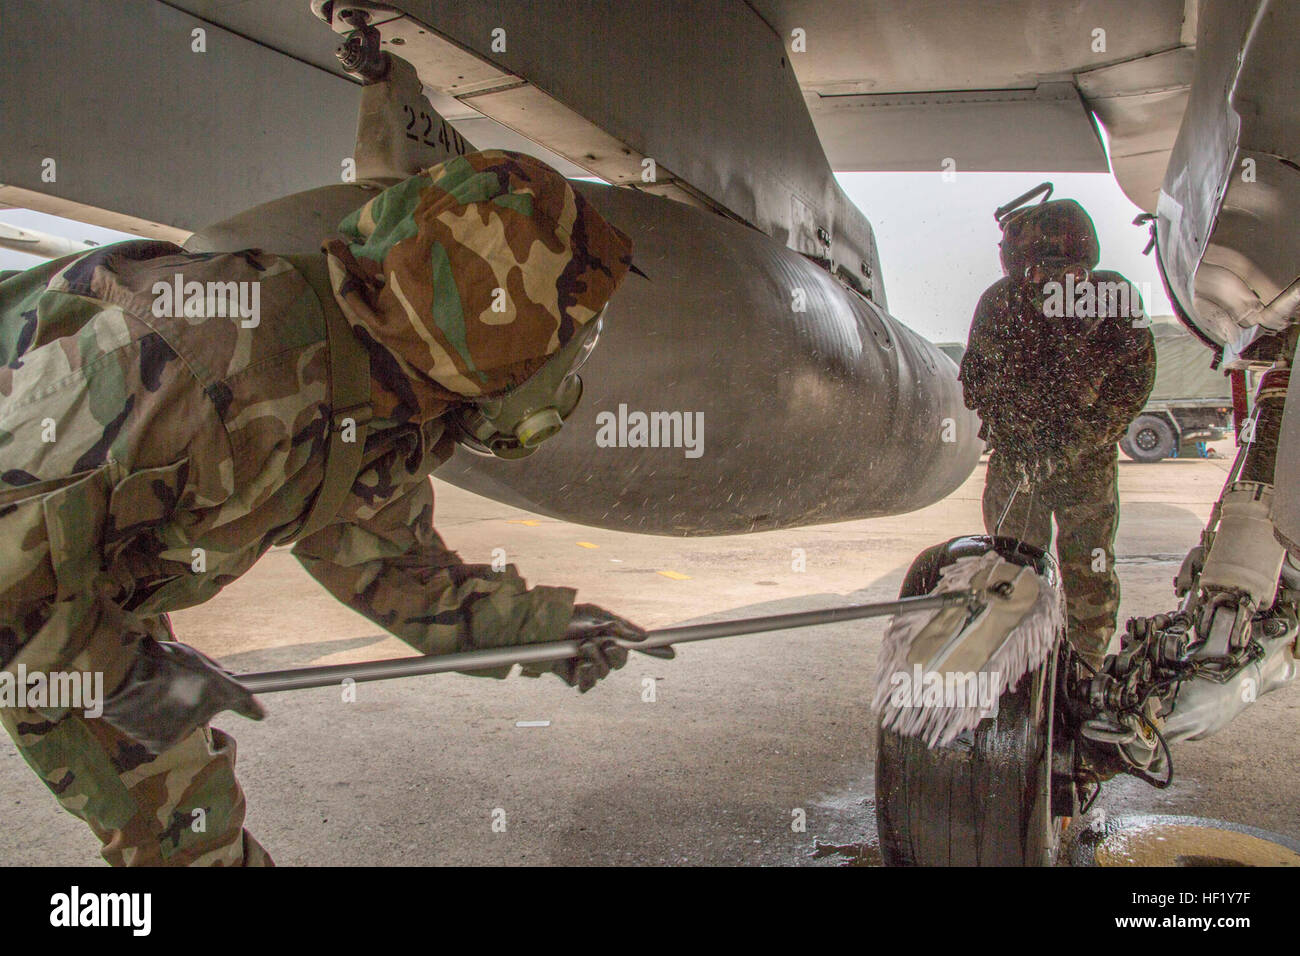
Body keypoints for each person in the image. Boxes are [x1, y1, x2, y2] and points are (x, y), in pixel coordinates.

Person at [0, 149, 658, 865]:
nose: (574, 366)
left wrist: (547, 630)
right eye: (572, 340)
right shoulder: (195, 365)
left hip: (69, 591)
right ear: (500, 328)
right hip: (36, 597)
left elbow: (390, 567)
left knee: (189, 830)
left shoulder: (374, 391)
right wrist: (123, 674)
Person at [958, 190, 1156, 672]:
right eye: (1039, 271)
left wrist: (1076, 440)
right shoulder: (1001, 304)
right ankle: (1015, 675)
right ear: (1022, 270)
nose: (1053, 283)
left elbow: (1135, 381)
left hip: (1084, 466)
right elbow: (978, 379)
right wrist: (1013, 435)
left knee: (1089, 570)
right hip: (1018, 463)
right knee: (1010, 566)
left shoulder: (1113, 299)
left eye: (1066, 272)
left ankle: (1085, 671)